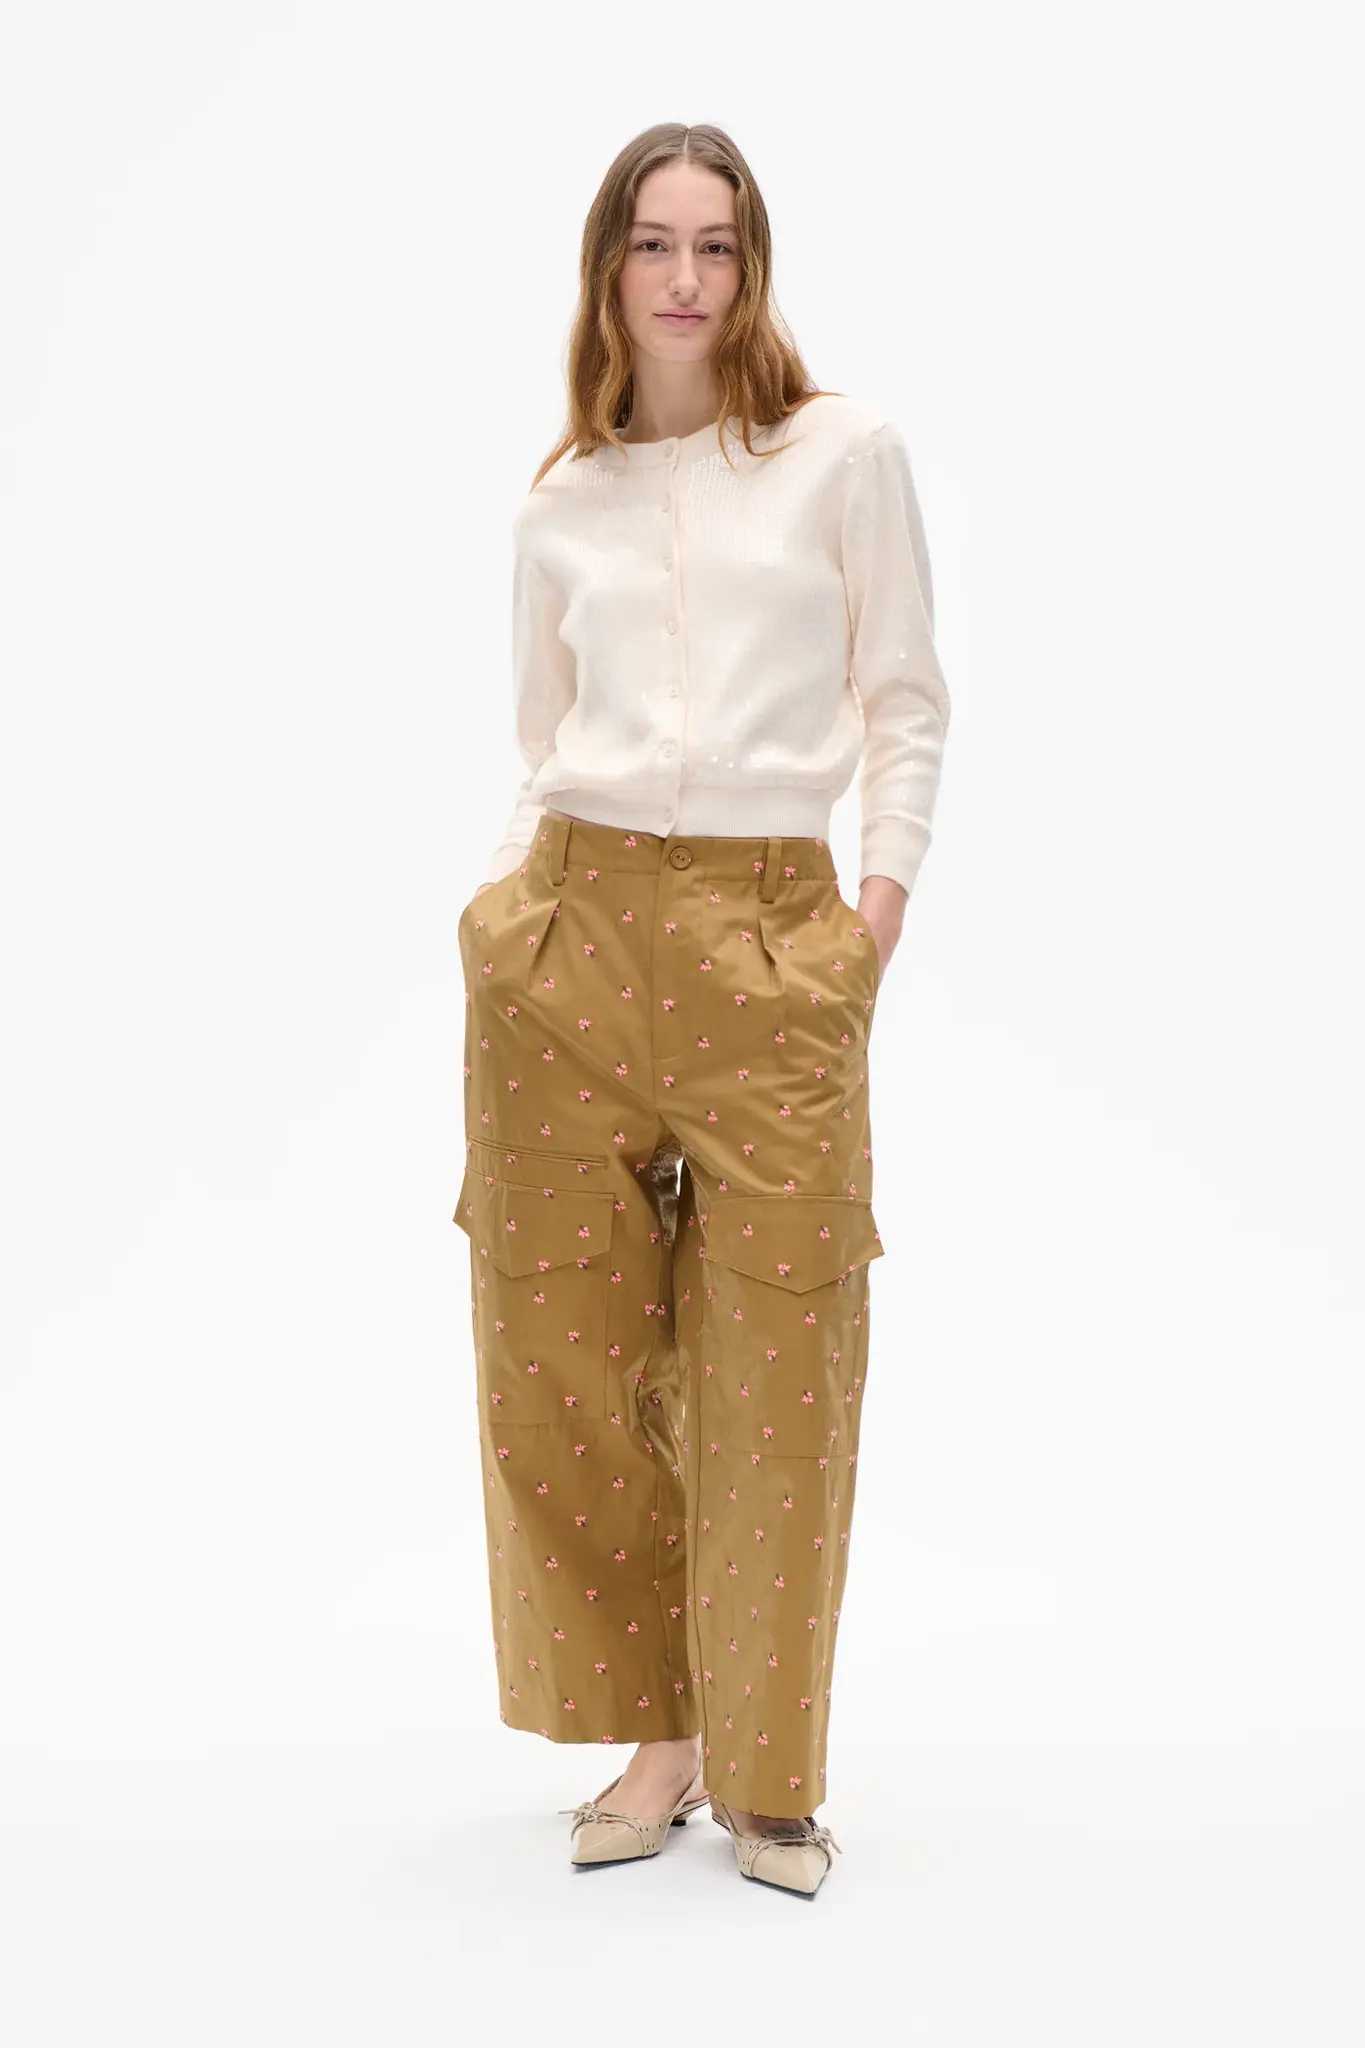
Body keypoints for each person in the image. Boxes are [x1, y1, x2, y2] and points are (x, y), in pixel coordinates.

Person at [452, 121, 950, 1898]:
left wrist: (867, 927)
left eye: (717, 245)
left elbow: (907, 700)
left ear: (754, 269)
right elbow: (542, 745)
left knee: (779, 1364)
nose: (683, 278)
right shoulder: (562, 500)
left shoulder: (840, 454)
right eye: (653, 244)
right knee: (563, 1362)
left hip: (771, 943)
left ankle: (767, 1770)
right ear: (608, 268)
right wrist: (500, 926)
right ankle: (657, 1739)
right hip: (568, 941)